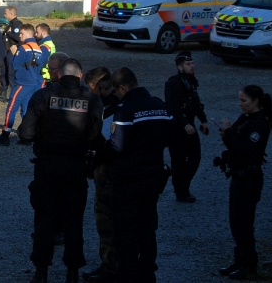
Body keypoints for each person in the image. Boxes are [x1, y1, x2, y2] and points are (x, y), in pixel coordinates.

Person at [18, 59, 103, 283]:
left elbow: (25, 134)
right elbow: (95, 134)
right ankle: (72, 271)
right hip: (76, 166)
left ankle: (41, 270)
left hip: (47, 166)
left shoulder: (43, 96)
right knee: (74, 220)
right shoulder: (92, 100)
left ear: (59, 75)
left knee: (45, 218)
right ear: (81, 76)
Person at [107, 68, 173, 283]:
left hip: (128, 178)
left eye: (116, 91)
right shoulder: (159, 105)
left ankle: (128, 273)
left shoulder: (126, 109)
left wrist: (101, 151)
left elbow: (117, 145)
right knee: (147, 226)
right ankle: (148, 272)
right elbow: (171, 136)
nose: (116, 96)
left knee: (125, 229)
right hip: (153, 176)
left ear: (123, 87)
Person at [216, 85, 272, 281]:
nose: (240, 104)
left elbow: (246, 150)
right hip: (239, 176)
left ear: (256, 101)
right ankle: (239, 261)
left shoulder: (260, 123)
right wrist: (227, 135)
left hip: (249, 179)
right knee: (236, 221)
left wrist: (228, 132)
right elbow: (234, 146)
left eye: (244, 101)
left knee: (244, 223)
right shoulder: (247, 119)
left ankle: (248, 264)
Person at [82, 67, 120, 283]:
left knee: (106, 222)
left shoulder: (110, 110)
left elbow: (103, 140)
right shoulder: (120, 105)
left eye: (91, 88)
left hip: (108, 172)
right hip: (116, 172)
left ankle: (110, 267)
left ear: (102, 87)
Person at [0, 24, 49, 146]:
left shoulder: (23, 48)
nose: (20, 36)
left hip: (22, 82)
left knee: (11, 108)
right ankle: (26, 135)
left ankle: (5, 136)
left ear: (28, 34)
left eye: (21, 34)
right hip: (33, 82)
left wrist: (14, 53)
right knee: (26, 108)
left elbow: (15, 66)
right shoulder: (39, 48)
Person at [164, 51, 209, 203]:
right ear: (180, 67)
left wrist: (203, 121)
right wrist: (184, 124)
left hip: (190, 126)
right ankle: (181, 191)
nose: (192, 66)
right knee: (179, 160)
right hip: (177, 129)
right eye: (188, 64)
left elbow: (196, 104)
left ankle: (183, 184)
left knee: (195, 157)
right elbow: (172, 108)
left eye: (192, 63)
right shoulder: (172, 84)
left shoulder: (191, 82)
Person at [0, 6, 23, 101]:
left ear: (11, 14)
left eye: (6, 13)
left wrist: (9, 33)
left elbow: (18, 38)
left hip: (12, 52)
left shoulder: (16, 24)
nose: (4, 14)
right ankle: (3, 93)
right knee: (3, 72)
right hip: (6, 51)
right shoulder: (10, 24)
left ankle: (15, 95)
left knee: (11, 74)